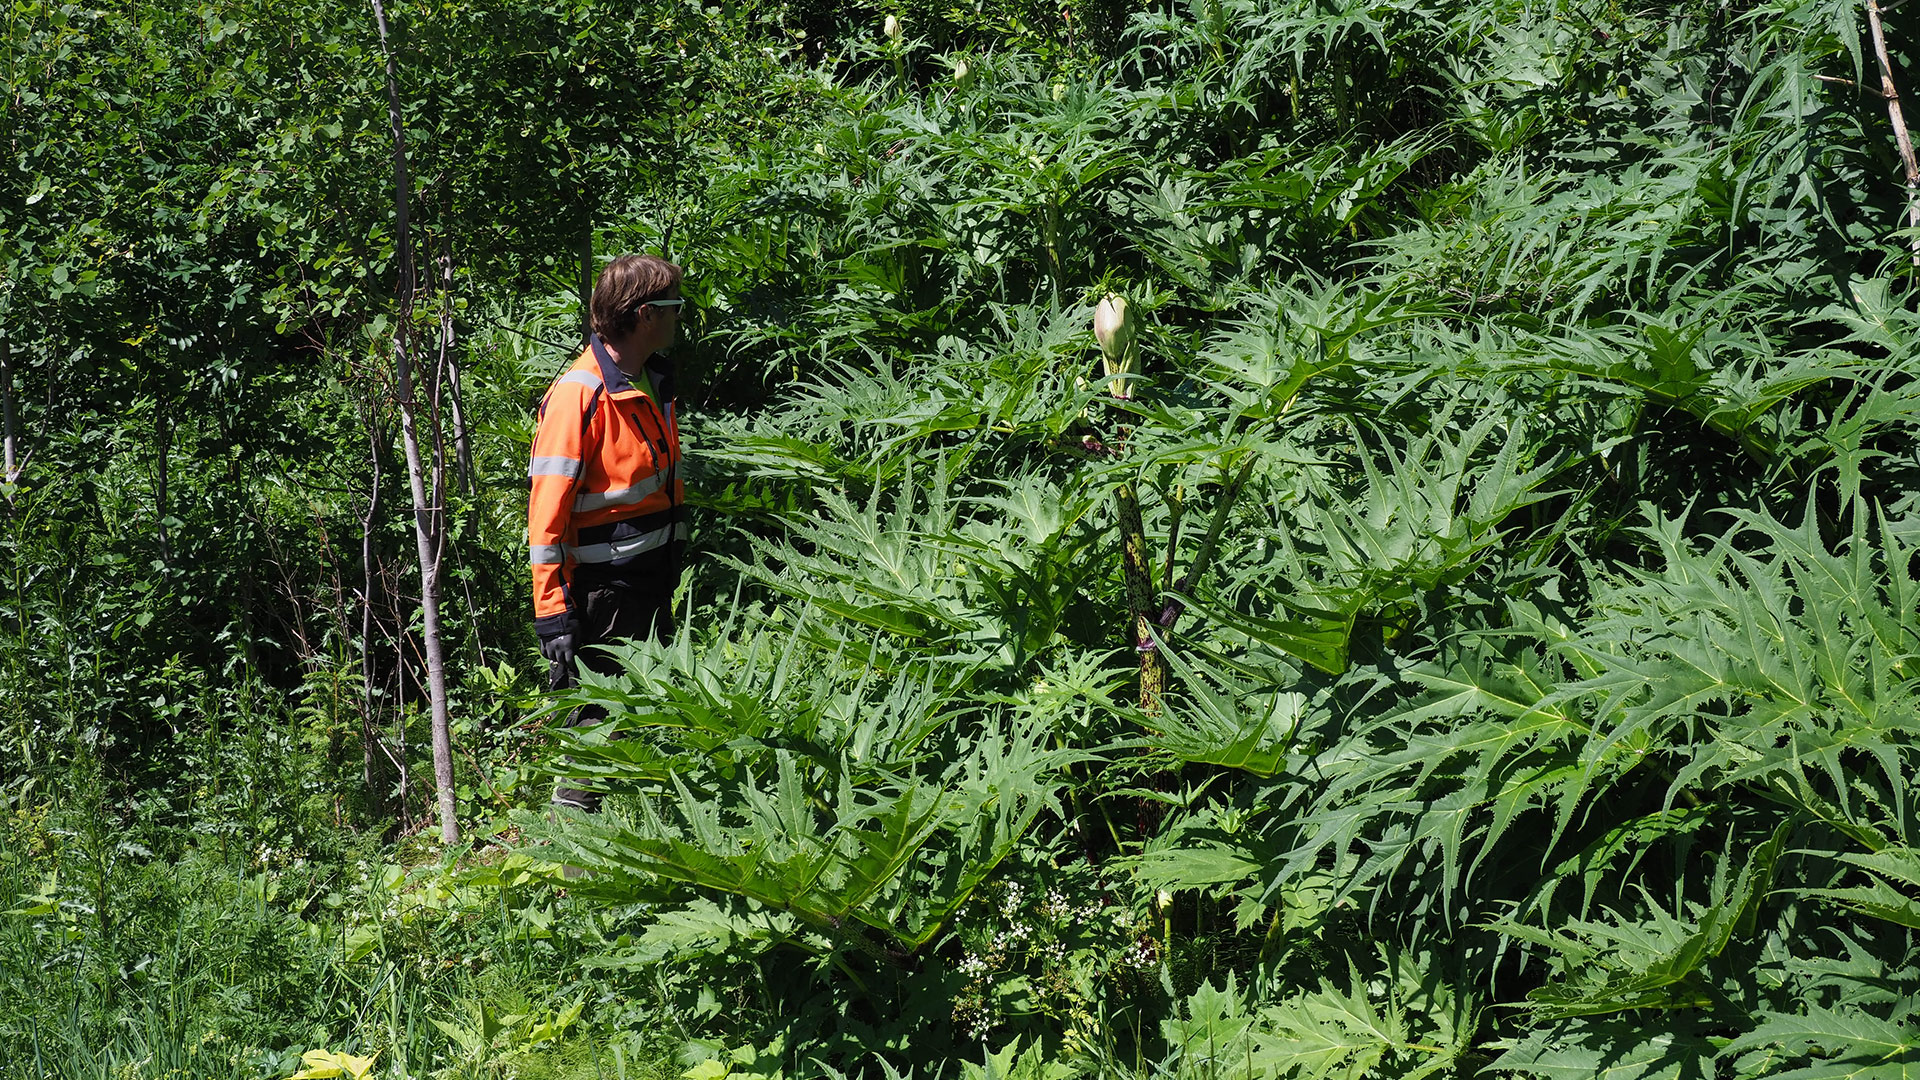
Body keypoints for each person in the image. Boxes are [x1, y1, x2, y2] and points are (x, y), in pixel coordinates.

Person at [528, 254, 688, 812]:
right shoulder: (579, 395)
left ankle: (631, 835)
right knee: (599, 722)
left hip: (650, 577)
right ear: (645, 315)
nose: (680, 317)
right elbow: (545, 519)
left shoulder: (652, 380)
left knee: (645, 711)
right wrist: (553, 613)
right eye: (674, 307)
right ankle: (574, 858)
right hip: (604, 590)